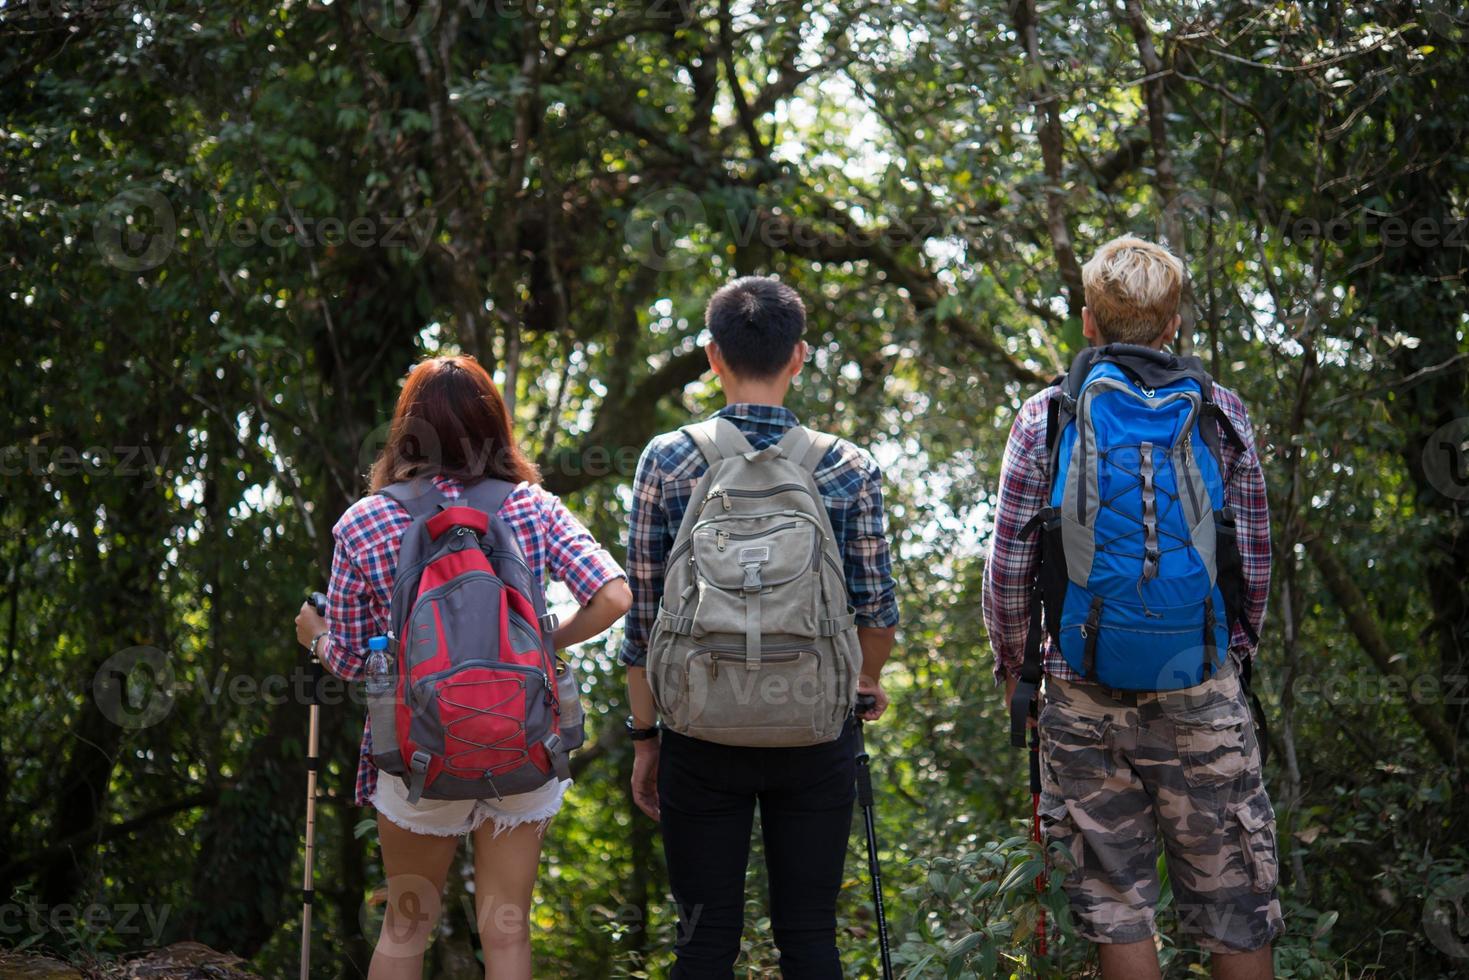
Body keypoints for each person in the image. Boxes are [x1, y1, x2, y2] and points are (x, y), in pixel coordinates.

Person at [983, 236, 1279, 980]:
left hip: (1083, 690)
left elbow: (1008, 567)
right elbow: (1253, 557)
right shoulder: (1220, 412)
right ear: (1173, 323)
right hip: (1200, 685)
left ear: (1088, 321)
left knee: (1116, 903)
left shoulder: (1046, 415)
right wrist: (1231, 650)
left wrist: (1021, 670)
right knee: (1234, 910)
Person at [293, 355, 631, 980]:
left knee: (405, 926)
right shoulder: (532, 507)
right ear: (493, 425)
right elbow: (613, 596)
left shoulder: (366, 522)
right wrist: (545, 639)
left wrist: (313, 636)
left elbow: (348, 657)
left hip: (418, 752)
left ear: (407, 430)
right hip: (523, 746)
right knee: (507, 934)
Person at [621, 275, 900, 979]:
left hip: (697, 729)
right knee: (809, 939)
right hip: (813, 728)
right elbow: (878, 611)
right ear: (798, 357)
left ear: (713, 357)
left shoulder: (668, 459)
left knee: (702, 944)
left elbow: (644, 619)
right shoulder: (846, 466)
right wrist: (862, 682)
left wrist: (645, 738)